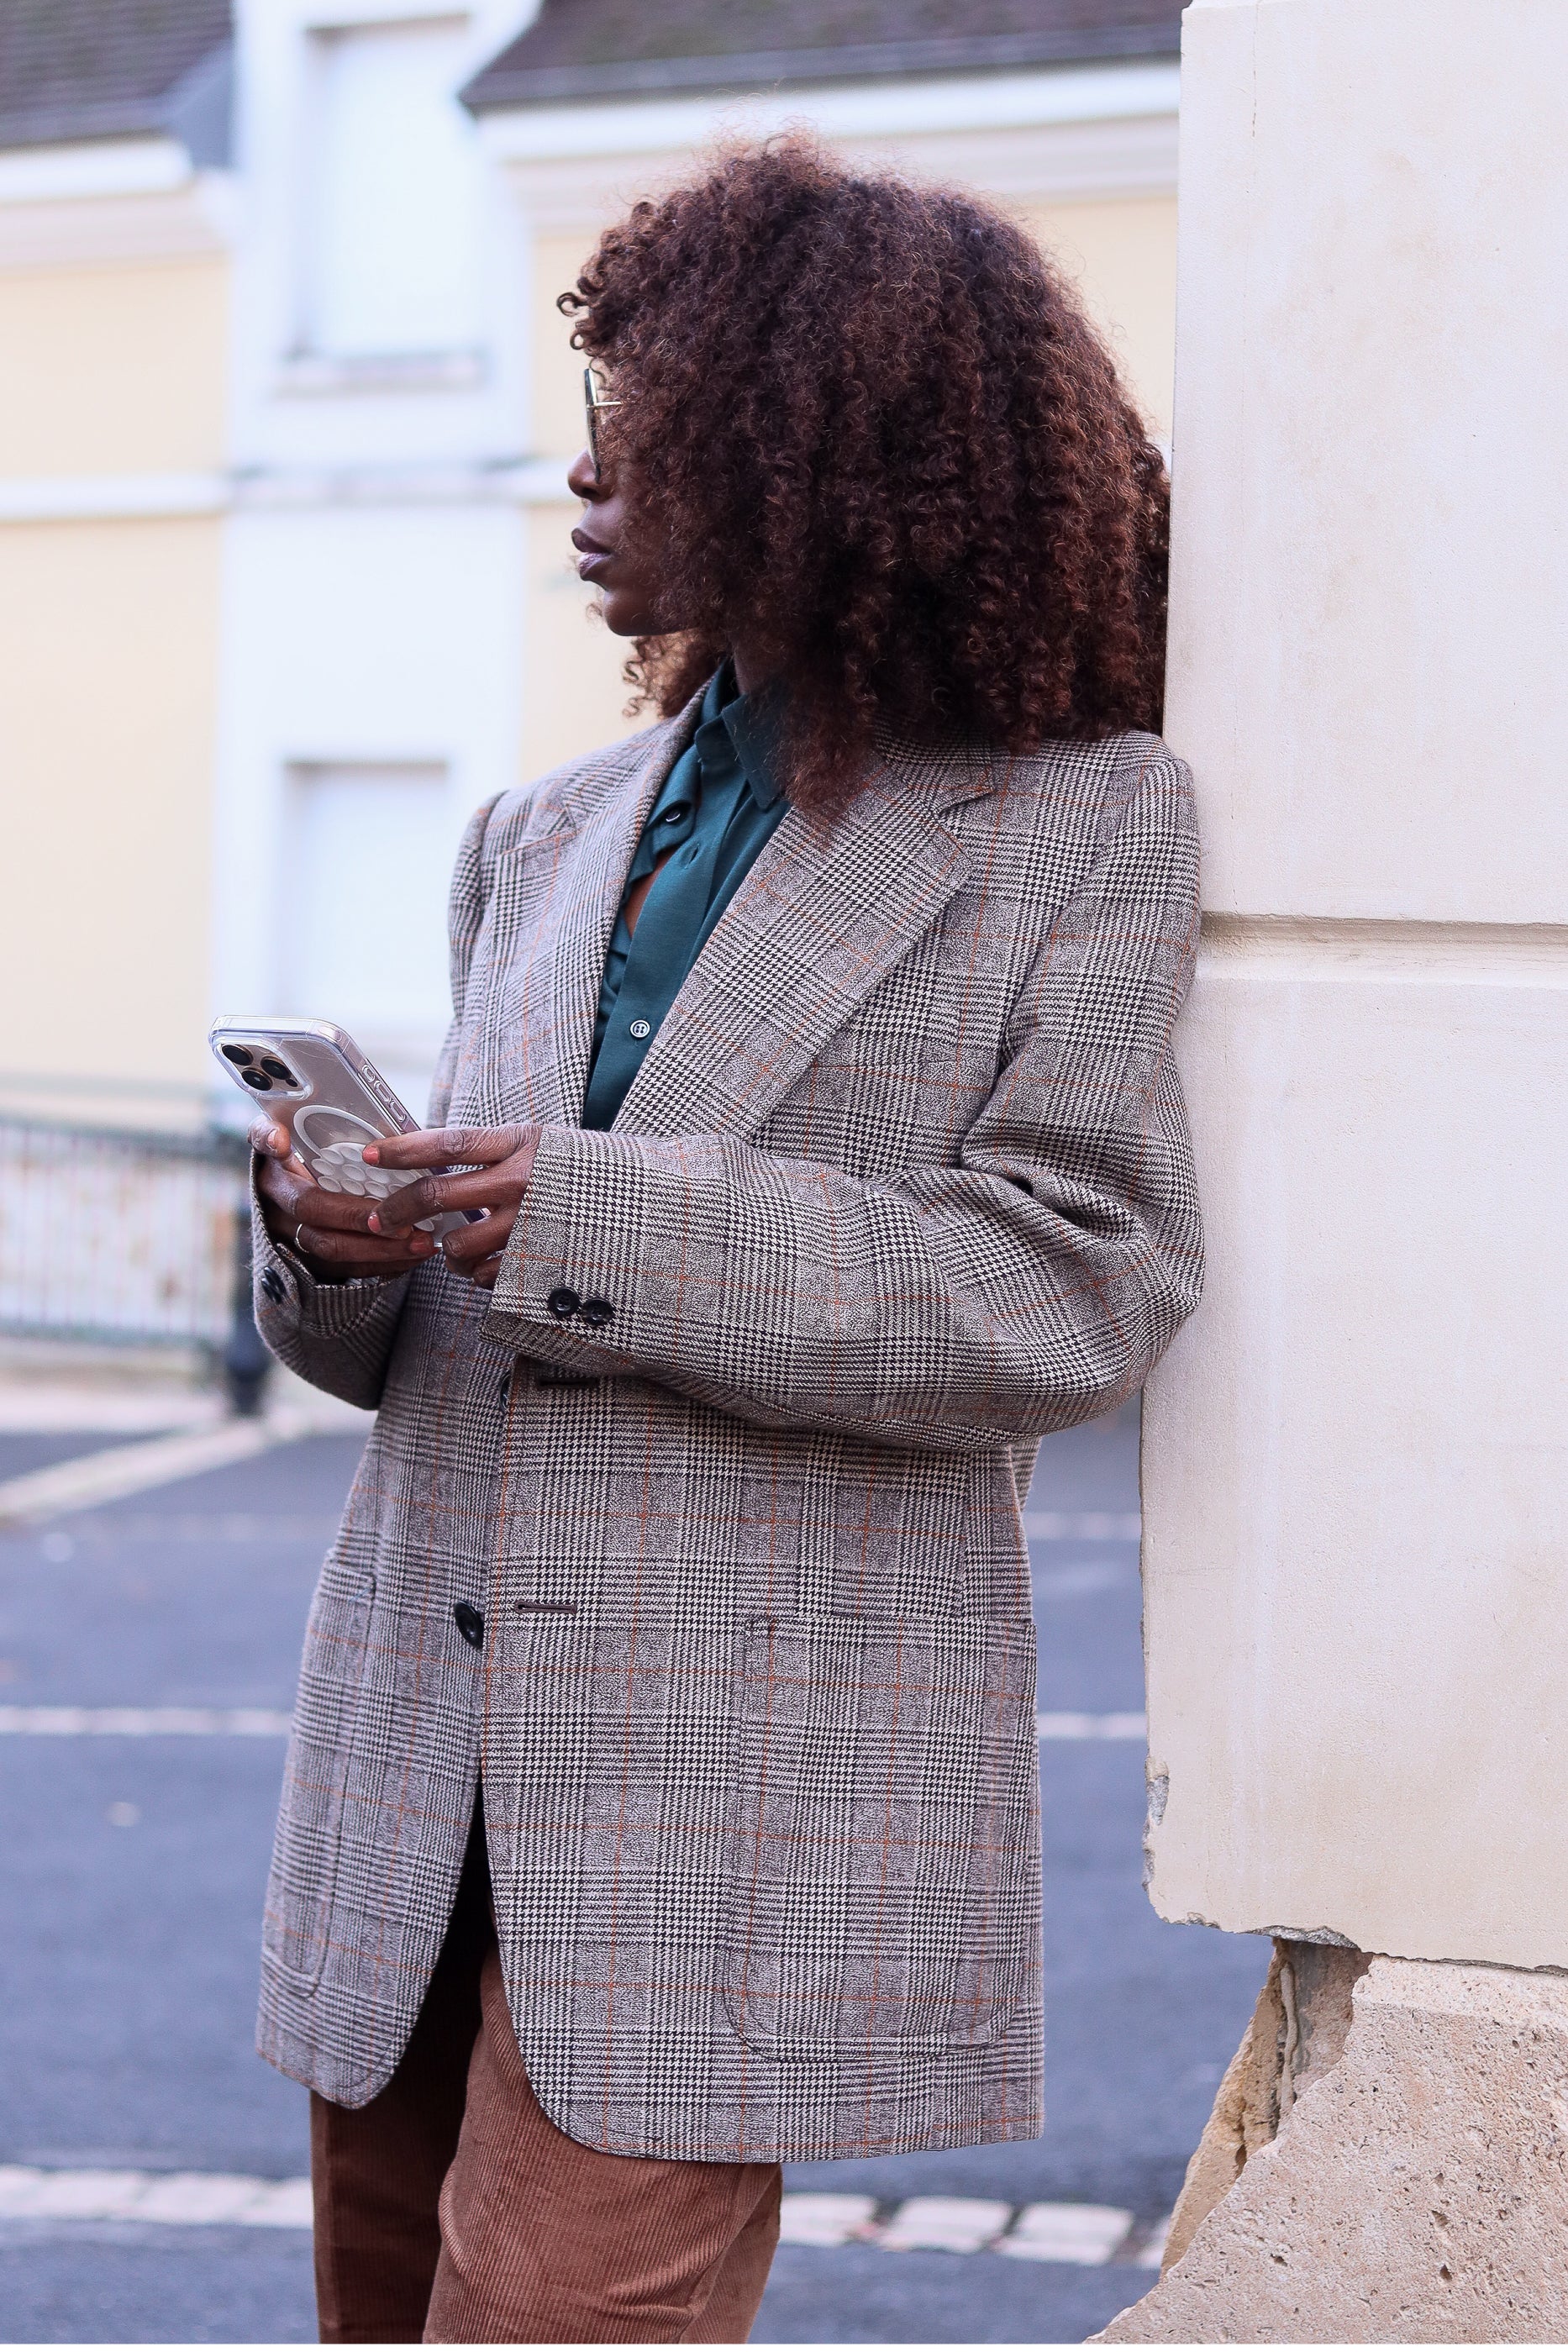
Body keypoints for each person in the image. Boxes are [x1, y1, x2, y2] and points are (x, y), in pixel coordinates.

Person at [249, 139, 1202, 2346]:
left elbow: (1075, 1283)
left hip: (729, 1789)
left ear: (817, 463)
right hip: (413, 1766)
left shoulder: (1080, 825)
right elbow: (417, 1349)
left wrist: (587, 1217)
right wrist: (341, 1245)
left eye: (649, 430)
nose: (583, 478)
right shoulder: (540, 831)